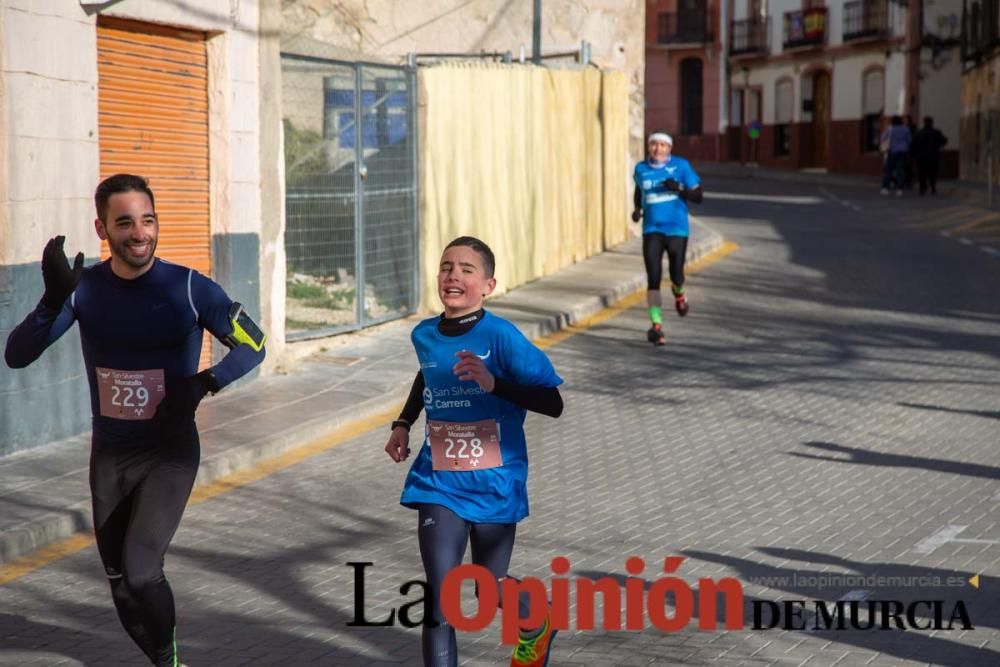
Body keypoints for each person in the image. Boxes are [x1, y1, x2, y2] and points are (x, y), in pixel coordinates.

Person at [4, 174, 266, 667]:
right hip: (110, 457)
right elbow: (17, 356)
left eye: (147, 220)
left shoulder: (189, 287)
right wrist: (51, 302)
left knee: (143, 572)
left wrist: (203, 383)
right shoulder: (84, 292)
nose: (139, 232)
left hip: (169, 455)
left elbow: (255, 346)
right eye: (124, 223)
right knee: (123, 590)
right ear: (101, 230)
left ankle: (169, 664)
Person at [384, 236, 564, 667]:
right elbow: (427, 376)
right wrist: (403, 423)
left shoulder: (501, 336)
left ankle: (536, 622)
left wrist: (494, 384)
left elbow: (553, 404)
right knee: (441, 594)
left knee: (489, 587)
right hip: (439, 480)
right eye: (447, 267)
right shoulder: (424, 334)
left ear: (488, 284)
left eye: (467, 269)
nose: (453, 276)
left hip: (496, 481)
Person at [630, 130, 703, 346]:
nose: (658, 149)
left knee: (676, 275)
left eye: (663, 145)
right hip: (651, 229)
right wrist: (637, 209)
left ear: (669, 148)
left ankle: (679, 295)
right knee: (653, 277)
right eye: (654, 145)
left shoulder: (681, 167)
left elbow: (699, 196)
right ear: (649, 147)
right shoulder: (641, 169)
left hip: (677, 230)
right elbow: (639, 191)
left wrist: (679, 188)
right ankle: (656, 326)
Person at [914, 116, 948, 195]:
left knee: (922, 173)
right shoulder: (936, 132)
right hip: (933, 156)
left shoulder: (919, 133)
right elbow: (944, 140)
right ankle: (933, 187)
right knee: (933, 172)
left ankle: (922, 187)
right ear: (932, 123)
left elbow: (914, 145)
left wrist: (914, 154)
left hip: (921, 157)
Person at [880, 115, 912, 196]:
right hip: (903, 151)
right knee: (900, 170)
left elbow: (883, 137)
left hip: (892, 151)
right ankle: (900, 189)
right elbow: (909, 140)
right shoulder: (905, 129)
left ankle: (886, 188)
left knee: (888, 170)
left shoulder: (890, 129)